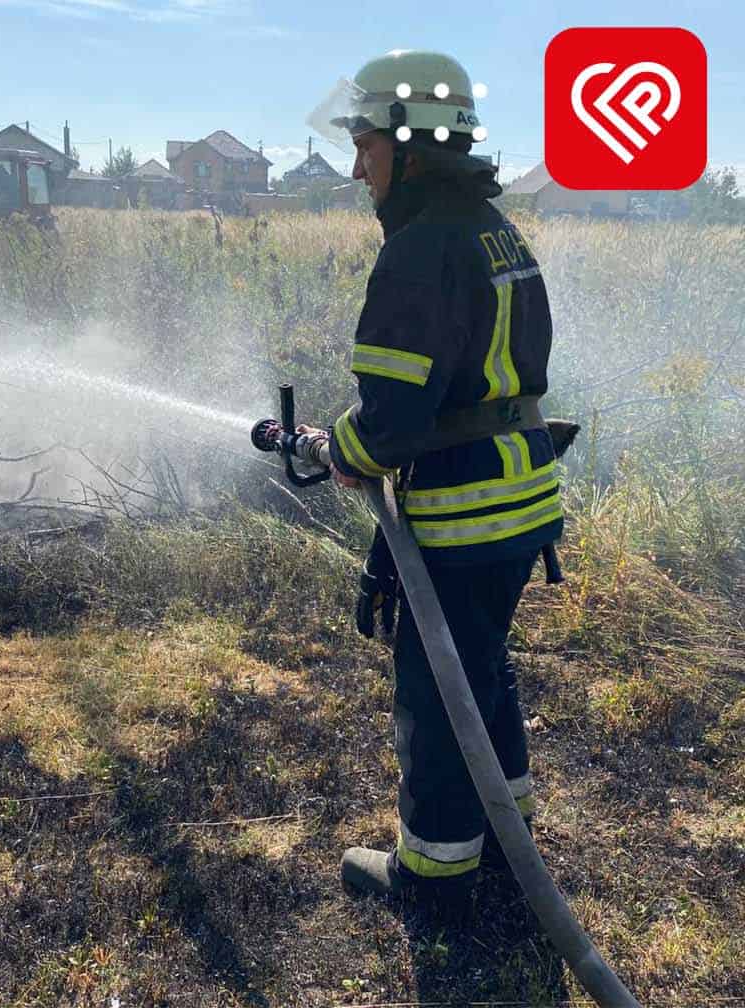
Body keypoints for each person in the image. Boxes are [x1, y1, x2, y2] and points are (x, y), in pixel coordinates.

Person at [300, 50, 562, 914]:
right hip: (519, 499)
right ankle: (504, 830)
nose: (357, 167)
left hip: (464, 512)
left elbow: (392, 424)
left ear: (410, 150)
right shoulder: (493, 227)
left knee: (436, 685)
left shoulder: (419, 250)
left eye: (367, 147)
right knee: (481, 665)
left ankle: (437, 874)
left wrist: (337, 449)